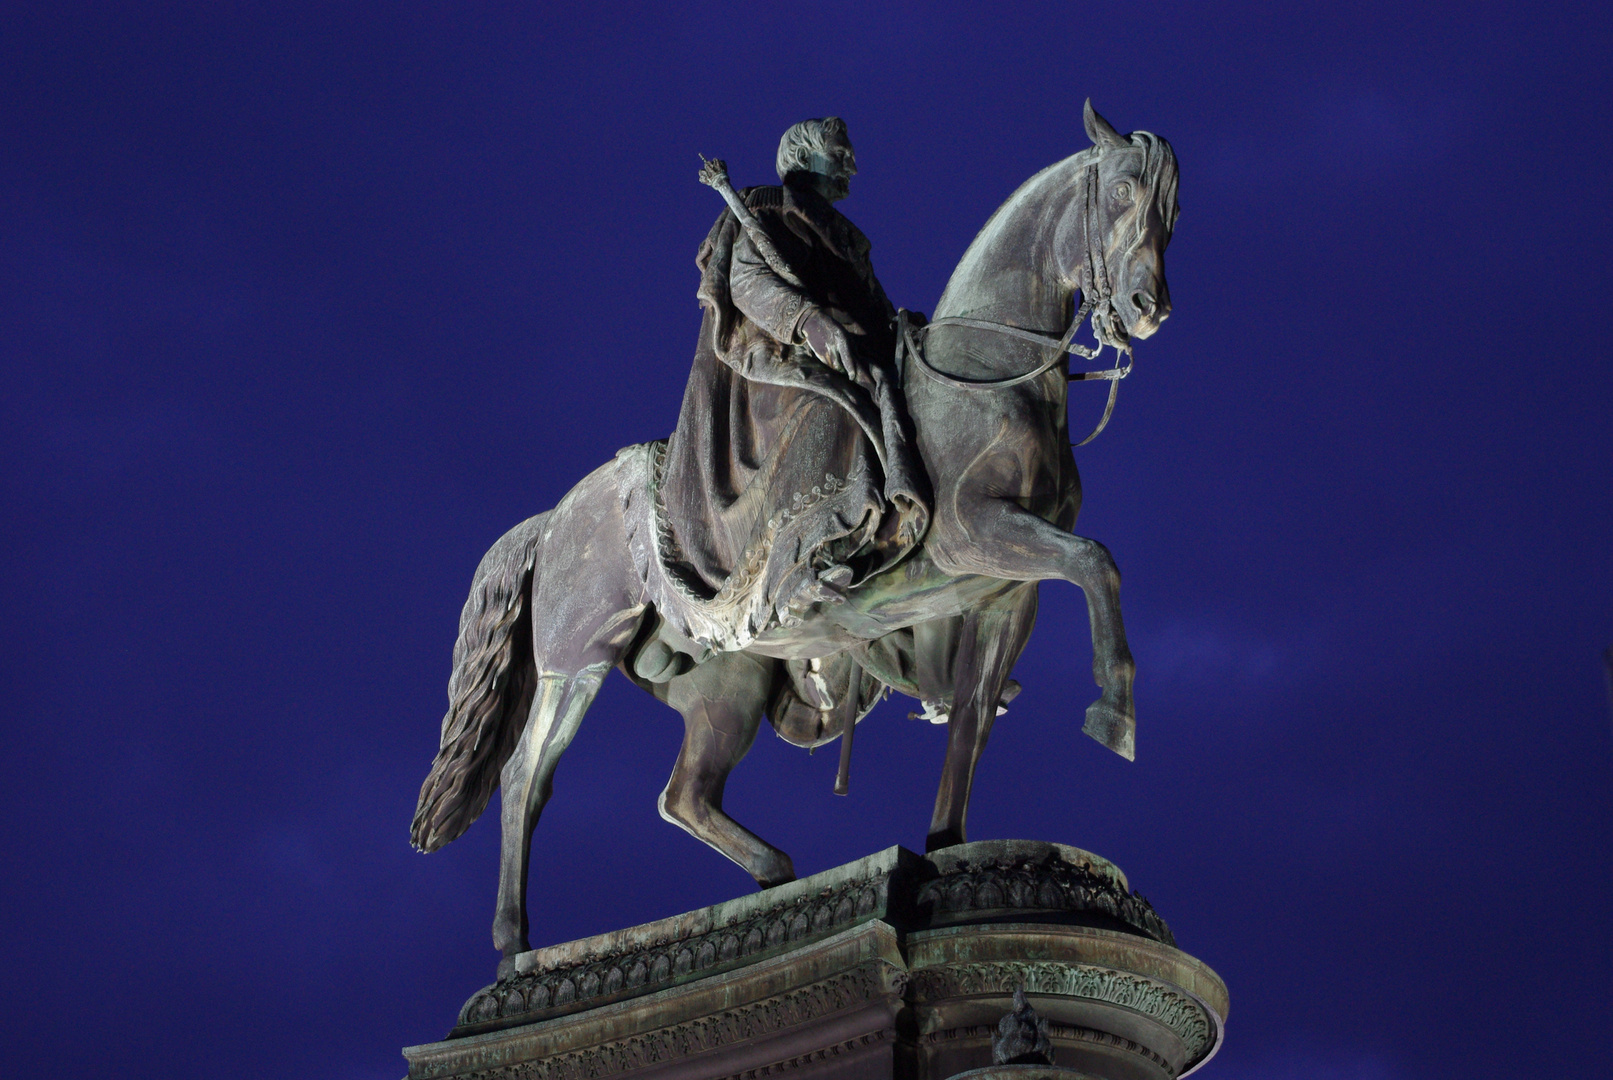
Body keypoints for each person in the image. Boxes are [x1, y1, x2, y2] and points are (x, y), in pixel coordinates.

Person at [653, 117, 929, 651]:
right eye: (841, 152)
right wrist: (811, 323)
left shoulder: (846, 236)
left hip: (855, 348)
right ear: (804, 157)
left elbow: (870, 302)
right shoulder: (763, 205)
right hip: (781, 351)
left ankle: (898, 523)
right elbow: (748, 280)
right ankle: (806, 556)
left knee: (908, 393)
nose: (852, 163)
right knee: (835, 404)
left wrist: (902, 329)